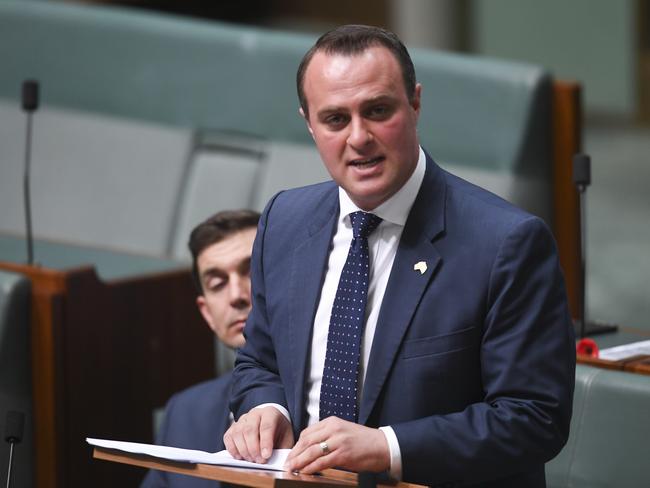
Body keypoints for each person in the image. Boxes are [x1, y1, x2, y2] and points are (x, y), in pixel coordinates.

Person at [224, 25, 575, 487]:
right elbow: (259, 362)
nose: (359, 137)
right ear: (309, 123)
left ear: (415, 103)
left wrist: (386, 447)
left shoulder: (507, 243)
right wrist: (265, 408)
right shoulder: (284, 220)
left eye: (377, 110)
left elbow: (534, 418)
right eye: (335, 119)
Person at [141, 209, 260, 488]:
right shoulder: (184, 413)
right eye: (217, 284)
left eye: (253, 272)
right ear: (207, 313)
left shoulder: (331, 399)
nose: (236, 296)